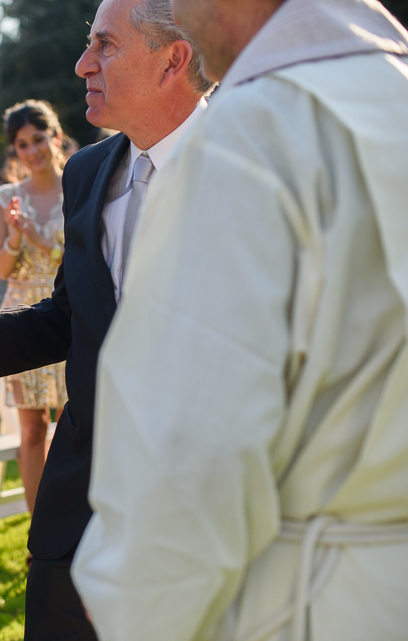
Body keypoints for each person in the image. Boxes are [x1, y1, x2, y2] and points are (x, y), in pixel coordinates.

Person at [70, 1, 408, 640]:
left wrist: (132, 594)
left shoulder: (254, 133)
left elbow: (192, 444)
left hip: (305, 602)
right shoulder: (392, 93)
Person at [0, 0, 213, 637]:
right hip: (82, 497)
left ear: (173, 60)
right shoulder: (89, 171)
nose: (82, 64)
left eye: (105, 46)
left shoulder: (255, 166)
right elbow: (72, 316)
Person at [0, 100, 68, 516]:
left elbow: (77, 255)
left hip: (68, 311)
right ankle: (39, 532)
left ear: (55, 137)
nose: (32, 150)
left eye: (39, 139)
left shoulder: (80, 184)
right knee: (32, 428)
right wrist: (18, 237)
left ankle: (75, 527)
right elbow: (1, 268)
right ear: (15, 151)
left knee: (74, 424)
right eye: (22, 144)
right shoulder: (5, 198)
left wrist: (39, 237)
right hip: (21, 315)